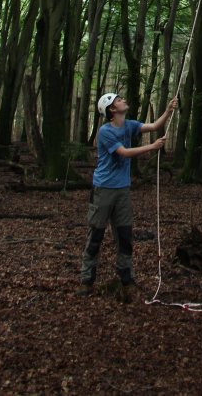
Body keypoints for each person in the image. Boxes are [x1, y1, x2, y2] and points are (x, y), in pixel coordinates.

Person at [79, 91, 178, 301]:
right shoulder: (105, 132)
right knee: (95, 235)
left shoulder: (130, 125)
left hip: (123, 190)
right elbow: (123, 152)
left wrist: (167, 112)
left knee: (124, 236)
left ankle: (126, 280)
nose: (123, 100)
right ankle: (87, 281)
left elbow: (153, 127)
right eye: (118, 100)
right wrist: (152, 147)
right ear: (112, 110)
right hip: (103, 189)